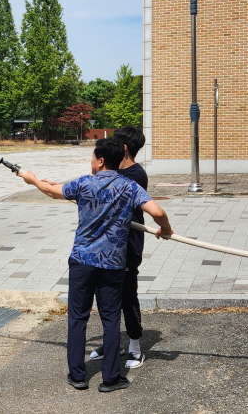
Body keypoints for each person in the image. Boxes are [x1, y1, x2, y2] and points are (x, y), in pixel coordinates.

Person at [18, 138, 172, 392]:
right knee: (111, 319)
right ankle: (110, 379)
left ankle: (78, 376)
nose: (90, 162)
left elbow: (52, 192)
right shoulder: (129, 186)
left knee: (78, 317)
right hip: (112, 264)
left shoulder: (84, 183)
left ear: (100, 161)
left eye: (92, 158)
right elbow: (157, 212)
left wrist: (31, 178)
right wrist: (165, 229)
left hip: (82, 262)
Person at [91, 126, 149, 368]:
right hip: (105, 244)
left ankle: (135, 345)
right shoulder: (113, 172)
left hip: (128, 245)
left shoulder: (135, 175)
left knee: (127, 296)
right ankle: (111, 341)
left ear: (123, 148)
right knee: (106, 297)